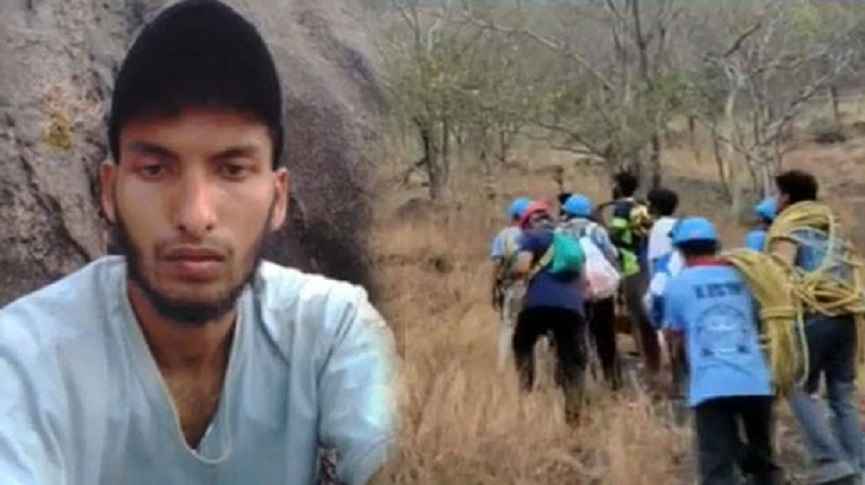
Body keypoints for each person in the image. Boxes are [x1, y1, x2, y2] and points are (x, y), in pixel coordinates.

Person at [0, 1, 397, 484]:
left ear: (278, 197)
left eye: (232, 170)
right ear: (109, 191)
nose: (194, 216)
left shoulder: (332, 334)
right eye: (155, 169)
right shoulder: (22, 361)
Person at [662, 218, 782, 485]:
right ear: (716, 246)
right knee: (764, 462)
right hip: (755, 380)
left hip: (710, 385)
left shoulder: (678, 285)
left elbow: (674, 335)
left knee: (716, 466)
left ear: (680, 250)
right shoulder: (746, 277)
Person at [767, 170, 864, 484]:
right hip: (844, 317)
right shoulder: (832, 230)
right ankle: (859, 464)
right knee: (841, 395)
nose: (774, 199)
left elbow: (778, 274)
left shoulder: (789, 231)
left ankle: (831, 461)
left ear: (785, 197)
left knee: (795, 387)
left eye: (776, 193)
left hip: (812, 317)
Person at [510, 200, 587, 424]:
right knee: (572, 360)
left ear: (530, 221)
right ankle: (573, 415)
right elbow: (583, 279)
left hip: (538, 304)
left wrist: (513, 272)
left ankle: (524, 394)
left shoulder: (532, 237)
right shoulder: (571, 241)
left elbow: (522, 267)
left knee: (522, 344)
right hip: (572, 307)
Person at [560, 194, 622, 389]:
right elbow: (612, 255)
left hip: (571, 291)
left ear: (567, 212)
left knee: (574, 335)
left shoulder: (560, 231)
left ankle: (576, 379)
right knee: (605, 335)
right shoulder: (597, 230)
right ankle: (612, 378)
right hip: (600, 291)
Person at [490, 196, 532, 370]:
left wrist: (493, 288)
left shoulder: (503, 235)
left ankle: (502, 367)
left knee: (508, 326)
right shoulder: (534, 235)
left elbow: (496, 265)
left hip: (512, 287)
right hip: (532, 288)